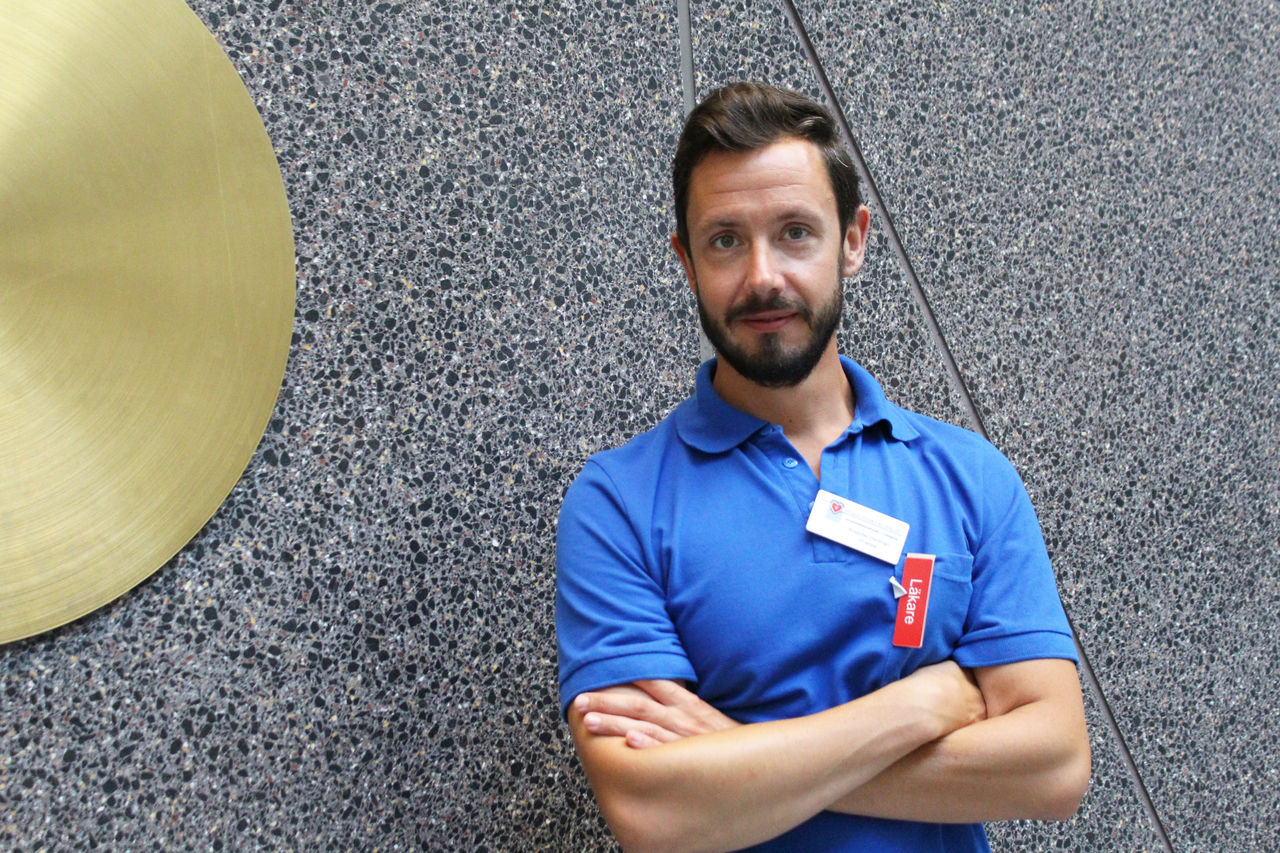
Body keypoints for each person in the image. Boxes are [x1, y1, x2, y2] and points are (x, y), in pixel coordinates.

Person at [555, 81, 1090, 852]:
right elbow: (654, 813)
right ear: (685, 259)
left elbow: (1055, 767)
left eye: (796, 232)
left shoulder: (970, 478)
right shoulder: (618, 502)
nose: (762, 276)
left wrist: (737, 752)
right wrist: (920, 706)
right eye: (725, 240)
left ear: (854, 239)